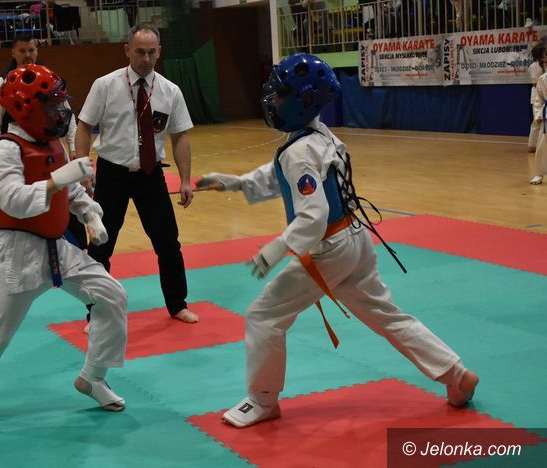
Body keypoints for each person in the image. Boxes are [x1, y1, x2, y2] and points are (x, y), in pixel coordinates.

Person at [197, 53, 479, 429]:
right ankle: (455, 373)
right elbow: (282, 174)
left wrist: (273, 252)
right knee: (386, 315)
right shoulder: (318, 136)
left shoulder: (300, 151)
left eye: (279, 94)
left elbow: (312, 218)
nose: (273, 101)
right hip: (355, 240)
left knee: (264, 315)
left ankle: (262, 400)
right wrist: (236, 183)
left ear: (300, 101)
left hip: (329, 249)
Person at [0, 64, 128, 429]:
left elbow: (72, 191)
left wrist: (91, 216)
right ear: (27, 108)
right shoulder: (4, 151)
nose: (60, 112)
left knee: (112, 296)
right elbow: (14, 200)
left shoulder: (51, 145)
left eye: (61, 104)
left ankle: (93, 376)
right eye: (52, 105)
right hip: (16, 254)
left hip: (57, 247)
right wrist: (59, 180)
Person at [76, 22, 199, 329]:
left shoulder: (170, 91)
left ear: (159, 52)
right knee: (101, 245)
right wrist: (82, 169)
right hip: (111, 174)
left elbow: (180, 136)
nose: (146, 59)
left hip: (150, 175)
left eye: (151, 52)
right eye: (140, 52)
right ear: (127, 50)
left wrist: (185, 179)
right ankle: (96, 313)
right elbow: (83, 127)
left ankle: (178, 304)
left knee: (168, 243)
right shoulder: (105, 85)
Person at [0, 34, 88, 272]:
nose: (28, 55)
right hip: (17, 149)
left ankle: (82, 246)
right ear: (13, 53)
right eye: (23, 50)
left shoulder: (49, 78)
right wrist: (0, 152)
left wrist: (73, 150)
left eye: (31, 50)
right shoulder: (3, 82)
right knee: (2, 203)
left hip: (49, 148)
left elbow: (68, 118)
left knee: (66, 195)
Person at [528, 43, 546, 153]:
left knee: (543, 120)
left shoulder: (543, 65)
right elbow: (535, 81)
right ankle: (532, 145)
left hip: (543, 91)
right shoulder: (534, 66)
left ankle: (539, 144)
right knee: (537, 120)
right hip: (536, 92)